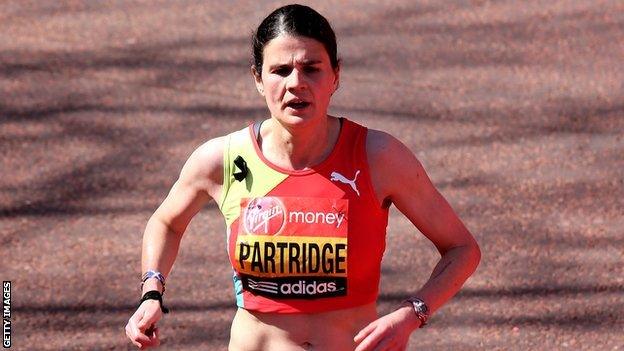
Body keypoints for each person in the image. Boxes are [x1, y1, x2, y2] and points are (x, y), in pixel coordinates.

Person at [125, 4, 481, 350]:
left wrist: (411, 314)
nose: (296, 83)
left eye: (312, 68)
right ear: (258, 79)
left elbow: (462, 249)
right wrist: (152, 292)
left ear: (335, 76)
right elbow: (166, 223)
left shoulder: (379, 156)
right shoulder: (222, 158)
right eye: (280, 70)